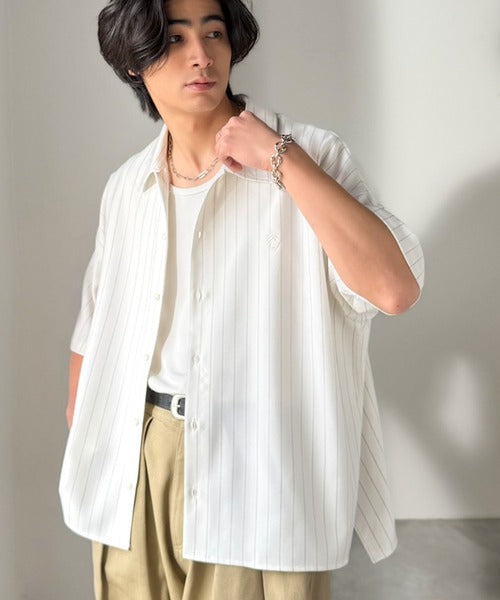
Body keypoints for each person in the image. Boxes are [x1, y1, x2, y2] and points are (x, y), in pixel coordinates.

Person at [59, 0, 424, 598]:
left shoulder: (313, 154)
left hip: (261, 479)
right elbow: (95, 324)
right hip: (136, 472)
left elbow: (394, 288)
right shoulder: (126, 187)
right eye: (174, 39)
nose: (201, 56)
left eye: (214, 33)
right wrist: (92, 433)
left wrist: (279, 158)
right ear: (133, 61)